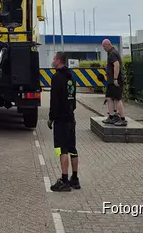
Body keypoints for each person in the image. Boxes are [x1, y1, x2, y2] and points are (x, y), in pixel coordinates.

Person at [47, 52, 80, 192]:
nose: (52, 61)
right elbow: (73, 97)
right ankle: (75, 178)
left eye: (54, 59)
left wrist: (51, 117)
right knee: (72, 148)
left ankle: (64, 180)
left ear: (58, 61)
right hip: (70, 117)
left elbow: (54, 100)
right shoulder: (71, 76)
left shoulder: (57, 77)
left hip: (60, 118)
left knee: (61, 149)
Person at [101, 38, 127, 126]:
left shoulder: (112, 53)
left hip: (115, 81)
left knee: (117, 99)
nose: (103, 48)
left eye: (104, 46)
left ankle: (122, 119)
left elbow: (116, 65)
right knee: (109, 97)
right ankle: (111, 116)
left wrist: (115, 79)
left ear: (108, 44)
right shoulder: (112, 52)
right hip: (111, 81)